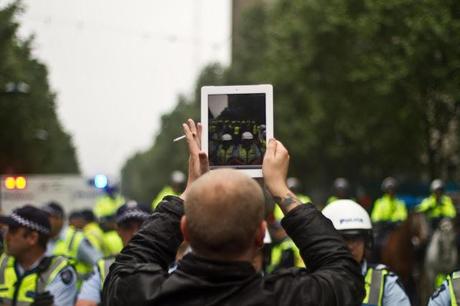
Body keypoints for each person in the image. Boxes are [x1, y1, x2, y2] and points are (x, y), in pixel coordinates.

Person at [102, 119, 364, 305]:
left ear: (185, 232)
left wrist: (189, 191)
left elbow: (127, 266)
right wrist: (279, 189)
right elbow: (344, 273)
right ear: (261, 235)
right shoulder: (291, 297)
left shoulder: (144, 295)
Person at [322, 199, 411, 306]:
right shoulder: (309, 283)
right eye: (344, 238)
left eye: (357, 238)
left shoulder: (384, 282)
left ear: (366, 241)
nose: (351, 246)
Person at [0, 205, 77, 305]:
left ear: (32, 238)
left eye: (13, 232)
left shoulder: (58, 271)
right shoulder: (3, 262)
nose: (6, 237)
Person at [76, 201, 149, 306]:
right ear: (118, 230)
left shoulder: (169, 262)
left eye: (142, 225)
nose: (135, 233)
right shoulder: (105, 267)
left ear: (153, 227)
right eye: (127, 227)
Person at [43, 202, 102, 281]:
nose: (43, 219)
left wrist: (86, 282)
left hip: (77, 292)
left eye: (48, 216)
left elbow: (100, 263)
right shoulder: (42, 238)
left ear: (60, 219)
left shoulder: (76, 238)